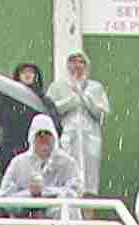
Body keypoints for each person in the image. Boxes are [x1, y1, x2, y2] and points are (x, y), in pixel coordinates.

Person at [52, 49, 110, 194]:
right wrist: (72, 98)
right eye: (73, 61)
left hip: (89, 138)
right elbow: (52, 110)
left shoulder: (95, 87)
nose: (77, 65)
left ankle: (88, 211)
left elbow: (101, 113)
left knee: (89, 181)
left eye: (81, 62)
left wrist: (84, 96)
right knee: (68, 176)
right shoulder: (57, 86)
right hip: (66, 138)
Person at [1, 114, 81, 199]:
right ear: (32, 138)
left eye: (47, 133)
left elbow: (75, 193)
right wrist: (30, 194)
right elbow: (4, 196)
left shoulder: (68, 163)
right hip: (25, 211)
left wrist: (44, 192)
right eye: (39, 134)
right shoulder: (18, 163)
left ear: (54, 137)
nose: (43, 138)